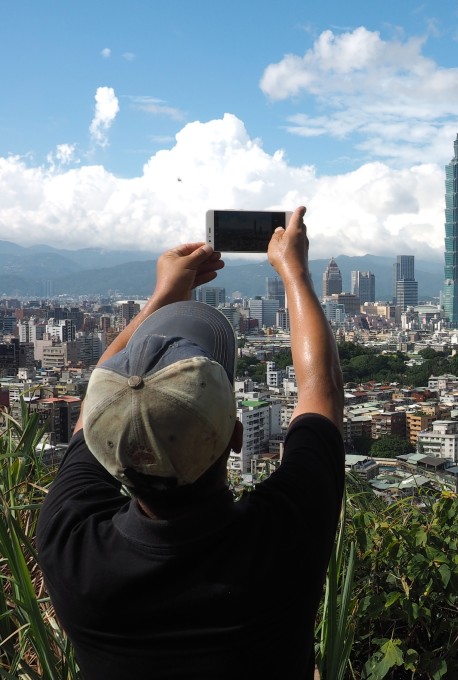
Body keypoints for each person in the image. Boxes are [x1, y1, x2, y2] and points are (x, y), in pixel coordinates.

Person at [36, 207, 345, 680]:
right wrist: (296, 273)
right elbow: (320, 389)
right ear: (237, 436)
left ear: (106, 449)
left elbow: (93, 409)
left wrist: (161, 296)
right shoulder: (281, 541)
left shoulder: (72, 550)